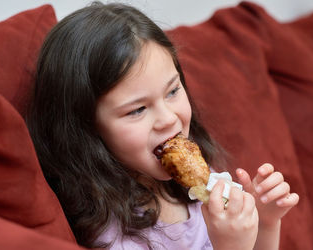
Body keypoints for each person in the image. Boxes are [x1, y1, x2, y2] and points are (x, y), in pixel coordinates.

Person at [27, 2, 299, 249]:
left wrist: (265, 222)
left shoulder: (199, 181)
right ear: (87, 128)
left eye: (172, 92)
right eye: (138, 109)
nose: (169, 118)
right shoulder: (113, 238)